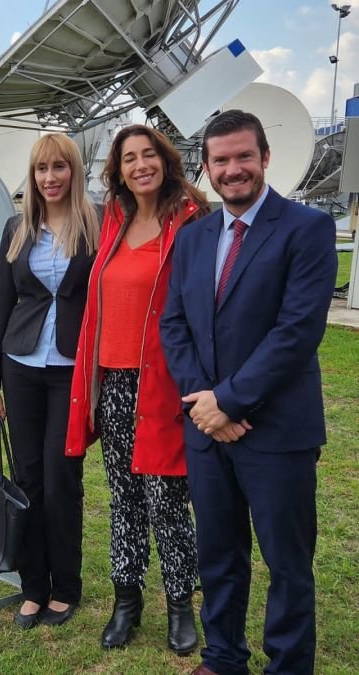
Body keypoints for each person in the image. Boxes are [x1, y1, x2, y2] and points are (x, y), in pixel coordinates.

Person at [160, 110, 336, 675]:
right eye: (221, 160)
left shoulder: (306, 228)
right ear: (206, 168)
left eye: (243, 157)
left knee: (287, 563)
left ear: (265, 157)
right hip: (210, 431)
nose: (233, 170)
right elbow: (175, 324)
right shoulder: (194, 237)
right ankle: (223, 657)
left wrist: (228, 402)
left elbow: (296, 332)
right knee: (219, 555)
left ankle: (287, 665)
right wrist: (205, 404)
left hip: (278, 431)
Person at [67, 124, 208, 654]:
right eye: (129, 158)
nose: (140, 165)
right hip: (114, 383)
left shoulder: (190, 222)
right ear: (118, 170)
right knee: (124, 499)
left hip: (164, 384)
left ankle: (180, 605)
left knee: (167, 499)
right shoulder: (114, 221)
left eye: (149, 154)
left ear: (165, 160)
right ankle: (126, 602)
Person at [0, 133, 100, 629]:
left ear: (73, 171)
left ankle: (66, 587)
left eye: (59, 168)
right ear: (31, 176)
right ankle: (33, 585)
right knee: (28, 478)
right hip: (21, 366)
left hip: (72, 371)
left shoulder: (96, 225)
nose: (49, 178)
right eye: (40, 169)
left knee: (61, 479)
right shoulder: (16, 228)